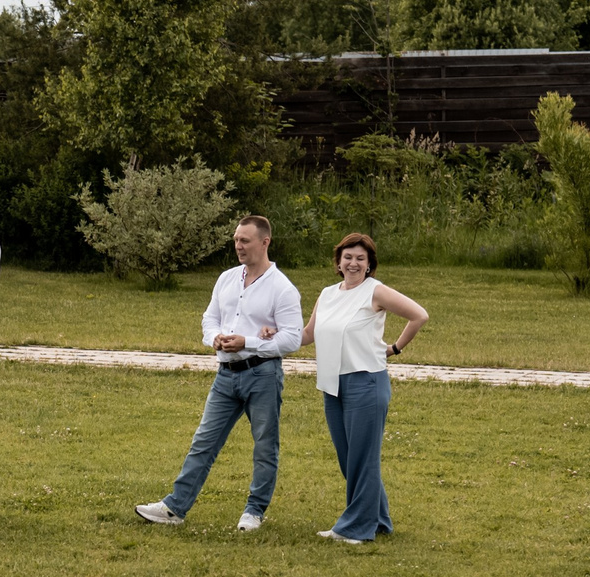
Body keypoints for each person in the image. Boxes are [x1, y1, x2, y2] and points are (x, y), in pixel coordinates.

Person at [135, 215, 302, 530]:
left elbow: (292, 338)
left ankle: (254, 512)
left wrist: (247, 342)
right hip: (226, 375)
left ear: (265, 242)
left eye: (245, 241)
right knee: (204, 441)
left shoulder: (282, 288)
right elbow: (210, 317)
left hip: (262, 375)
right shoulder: (227, 278)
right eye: (236, 240)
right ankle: (174, 509)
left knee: (265, 445)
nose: (238, 246)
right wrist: (214, 337)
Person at [298, 232, 429, 544]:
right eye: (348, 257)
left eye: (360, 258)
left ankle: (356, 529)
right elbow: (307, 334)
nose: (353, 263)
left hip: (366, 382)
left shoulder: (376, 292)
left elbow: (419, 315)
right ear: (339, 262)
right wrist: (270, 334)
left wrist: (394, 348)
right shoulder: (327, 294)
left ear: (369, 264)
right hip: (332, 385)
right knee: (350, 459)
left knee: (362, 459)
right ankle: (379, 520)